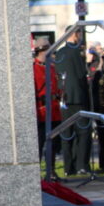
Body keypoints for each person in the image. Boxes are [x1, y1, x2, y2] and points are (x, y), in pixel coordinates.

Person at [55, 27, 91, 176]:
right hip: (77, 98)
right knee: (83, 133)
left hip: (64, 98)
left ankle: (68, 167)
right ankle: (81, 165)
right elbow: (82, 74)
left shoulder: (60, 52)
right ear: (75, 34)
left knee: (66, 134)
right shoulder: (76, 52)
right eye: (80, 34)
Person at [32, 39, 62, 169]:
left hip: (54, 110)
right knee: (39, 144)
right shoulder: (33, 68)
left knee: (54, 143)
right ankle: (36, 173)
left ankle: (52, 171)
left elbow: (56, 87)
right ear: (42, 51)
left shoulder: (52, 68)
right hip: (41, 111)